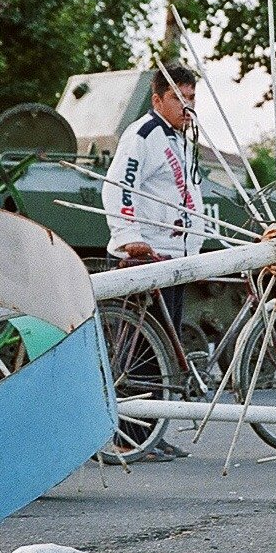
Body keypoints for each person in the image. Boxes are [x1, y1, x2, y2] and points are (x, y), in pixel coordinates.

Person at [101, 65, 204, 463]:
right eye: (178, 97)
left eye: (191, 97)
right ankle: (131, 435)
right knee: (142, 350)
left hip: (176, 258)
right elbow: (118, 187)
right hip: (150, 256)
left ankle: (152, 432)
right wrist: (129, 239)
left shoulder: (180, 140)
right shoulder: (142, 136)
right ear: (158, 99)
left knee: (165, 346)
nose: (186, 105)